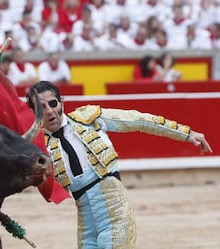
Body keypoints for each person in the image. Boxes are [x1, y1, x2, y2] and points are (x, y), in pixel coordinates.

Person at [26, 80, 212, 249]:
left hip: (114, 205)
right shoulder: (38, 147)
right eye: (42, 108)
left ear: (61, 102)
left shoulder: (89, 118)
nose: (49, 111)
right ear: (34, 113)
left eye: (52, 103)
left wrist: (186, 133)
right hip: (84, 214)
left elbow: (139, 120)